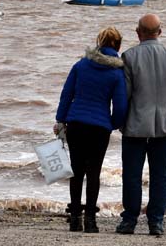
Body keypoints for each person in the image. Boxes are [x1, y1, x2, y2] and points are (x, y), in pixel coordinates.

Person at [116, 13, 166, 236]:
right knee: (161, 177)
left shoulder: (128, 57)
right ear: (160, 31)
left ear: (138, 33)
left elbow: (125, 95)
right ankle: (156, 222)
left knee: (131, 175)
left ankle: (129, 221)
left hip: (135, 126)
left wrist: (119, 121)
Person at [55, 27, 128, 233]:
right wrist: (111, 123)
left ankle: (75, 218)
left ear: (99, 42)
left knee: (76, 171)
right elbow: (121, 106)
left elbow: (66, 94)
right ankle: (90, 221)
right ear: (118, 46)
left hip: (76, 124)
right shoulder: (116, 73)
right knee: (94, 172)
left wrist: (61, 120)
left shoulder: (80, 65)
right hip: (99, 128)